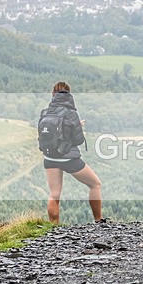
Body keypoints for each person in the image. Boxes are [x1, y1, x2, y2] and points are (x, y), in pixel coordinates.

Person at [40, 82, 104, 224]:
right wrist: (78, 127)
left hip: (49, 157)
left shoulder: (45, 112)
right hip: (68, 158)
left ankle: (53, 228)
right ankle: (98, 220)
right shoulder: (71, 114)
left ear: (53, 94)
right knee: (95, 184)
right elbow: (78, 140)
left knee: (54, 195)